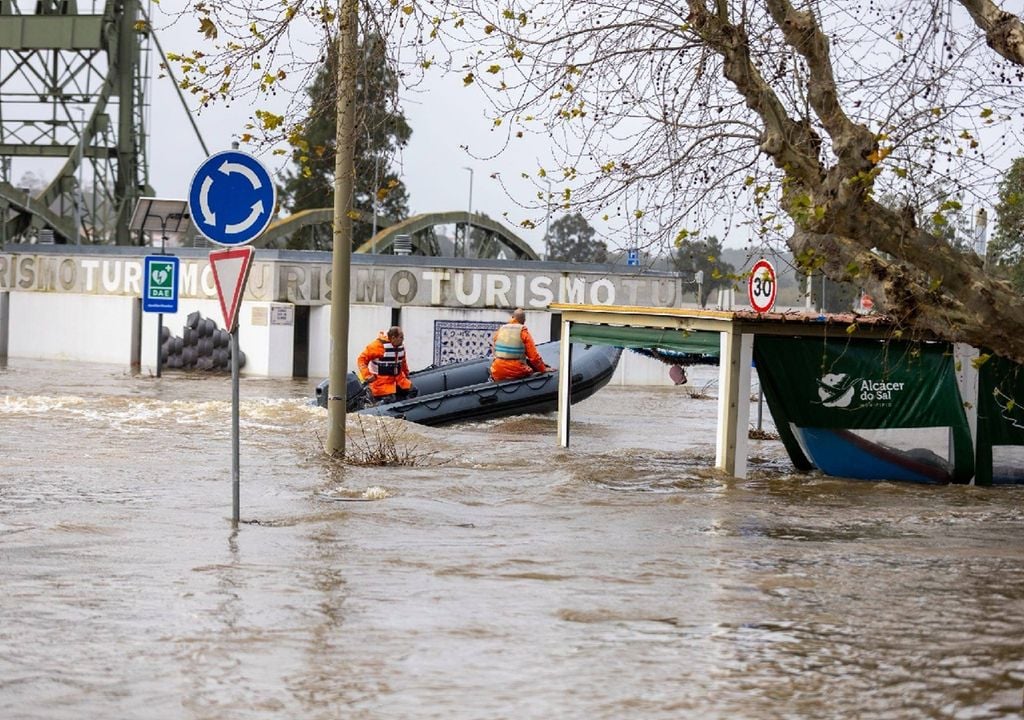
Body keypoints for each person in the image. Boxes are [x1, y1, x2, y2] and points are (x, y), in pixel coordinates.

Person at [356, 326, 418, 405]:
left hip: (399, 379)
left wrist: (406, 374)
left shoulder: (400, 346)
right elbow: (361, 359)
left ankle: (406, 410)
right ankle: (376, 406)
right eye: (401, 337)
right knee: (390, 399)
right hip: (381, 383)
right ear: (393, 338)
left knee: (413, 391)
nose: (403, 340)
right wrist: (367, 375)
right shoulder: (376, 346)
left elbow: (403, 362)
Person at [490, 307, 553, 381]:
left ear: (512, 317)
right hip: (517, 371)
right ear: (524, 321)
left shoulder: (501, 330)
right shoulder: (523, 332)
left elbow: (494, 349)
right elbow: (534, 357)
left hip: (497, 371)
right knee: (534, 373)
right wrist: (543, 369)